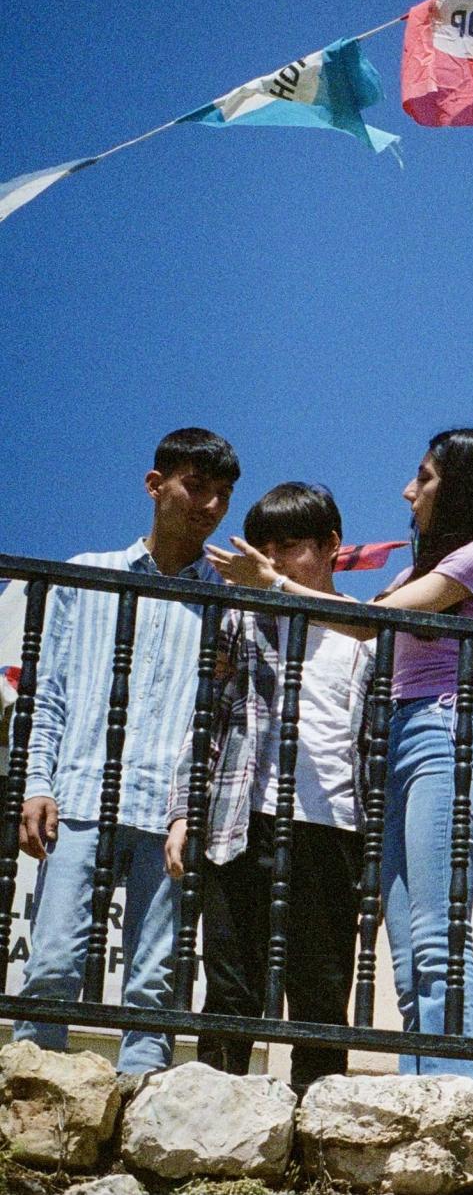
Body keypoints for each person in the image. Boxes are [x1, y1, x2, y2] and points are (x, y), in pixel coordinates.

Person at [209, 428, 473, 1086]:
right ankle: (423, 1088)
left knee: (437, 939)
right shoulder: (413, 572)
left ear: (463, 487)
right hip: (397, 747)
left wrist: (273, 582)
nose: (407, 490)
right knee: (406, 952)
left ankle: (454, 1092)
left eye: (424, 477)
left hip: (440, 740)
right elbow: (360, 617)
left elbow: (367, 625)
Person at [15, 427, 240, 1073]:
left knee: (154, 985)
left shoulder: (223, 603)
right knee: (52, 964)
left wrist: (189, 807)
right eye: (196, 487)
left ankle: (142, 1107)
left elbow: (219, 723)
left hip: (164, 808)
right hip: (82, 789)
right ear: (155, 485)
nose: (209, 507)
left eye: (221, 495)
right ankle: (32, 1100)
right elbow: (48, 692)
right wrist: (36, 780)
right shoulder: (88, 575)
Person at [165, 483, 373, 1092]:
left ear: (332, 545)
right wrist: (184, 811)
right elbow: (206, 719)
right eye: (263, 548)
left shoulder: (363, 630)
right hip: (241, 818)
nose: (273, 561)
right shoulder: (241, 620)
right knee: (231, 984)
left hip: (335, 826)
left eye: (289, 546)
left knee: (321, 994)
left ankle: (318, 1135)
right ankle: (212, 1124)